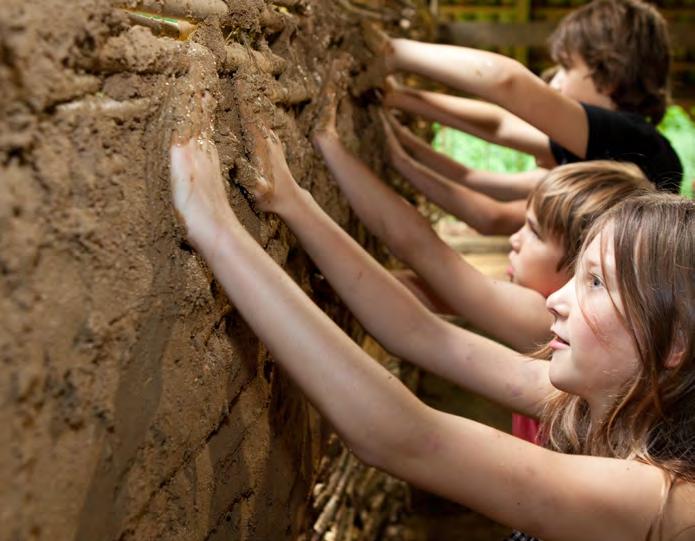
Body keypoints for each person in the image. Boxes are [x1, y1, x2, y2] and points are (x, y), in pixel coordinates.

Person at [170, 92, 695, 540]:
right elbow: (423, 335)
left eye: (596, 283)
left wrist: (215, 228)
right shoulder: (596, 404)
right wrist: (292, 202)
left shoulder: (662, 502)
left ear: (673, 341)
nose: (556, 300)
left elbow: (405, 437)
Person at [371, 0, 682, 232]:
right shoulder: (602, 159)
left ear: (609, 73)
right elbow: (486, 181)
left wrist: (394, 52)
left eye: (567, 67)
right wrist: (399, 104)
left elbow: (506, 87)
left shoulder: (639, 143)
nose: (554, 82)